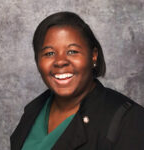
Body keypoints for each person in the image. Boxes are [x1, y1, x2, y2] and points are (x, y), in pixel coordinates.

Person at [10, 11, 144, 150]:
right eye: (49, 53)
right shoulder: (33, 111)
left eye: (72, 51)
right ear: (38, 61)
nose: (60, 62)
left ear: (93, 55)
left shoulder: (129, 120)